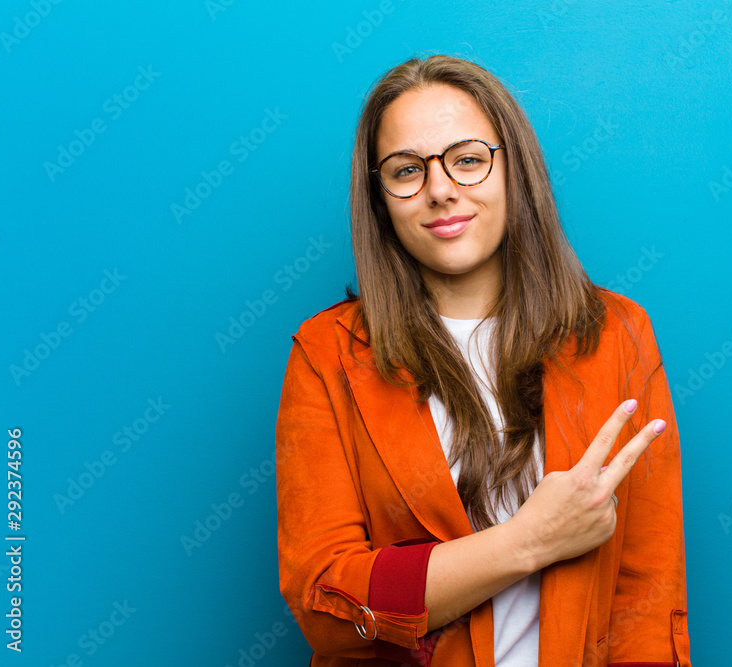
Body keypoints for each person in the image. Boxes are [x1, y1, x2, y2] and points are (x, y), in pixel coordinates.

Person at [275, 54, 691, 667]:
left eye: (468, 159)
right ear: (380, 197)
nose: (442, 190)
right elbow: (327, 605)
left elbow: (647, 600)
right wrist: (528, 541)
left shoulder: (616, 335)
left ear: (513, 167)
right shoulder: (327, 354)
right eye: (407, 170)